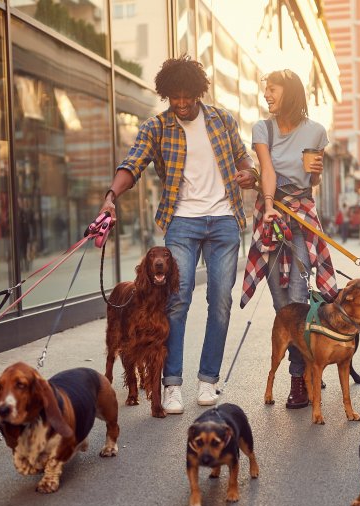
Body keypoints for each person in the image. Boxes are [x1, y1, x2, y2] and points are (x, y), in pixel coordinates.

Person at [99, 56, 258, 415]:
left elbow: (242, 158)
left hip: (223, 220)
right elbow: (133, 163)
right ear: (166, 95)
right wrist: (111, 197)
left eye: (188, 96)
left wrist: (249, 173)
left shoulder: (221, 120)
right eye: (175, 98)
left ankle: (208, 380)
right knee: (177, 300)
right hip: (182, 222)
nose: (182, 103)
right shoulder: (156, 128)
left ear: (199, 92)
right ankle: (171, 385)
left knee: (220, 301)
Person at [239, 68, 342, 410]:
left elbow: (313, 179)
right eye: (265, 90)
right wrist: (268, 206)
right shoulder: (262, 128)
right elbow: (266, 170)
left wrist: (314, 171)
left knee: (298, 294)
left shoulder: (316, 130)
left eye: (272, 89)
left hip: (301, 217)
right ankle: (307, 364)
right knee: (281, 303)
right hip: (271, 214)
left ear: (291, 92)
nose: (266, 95)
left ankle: (300, 379)